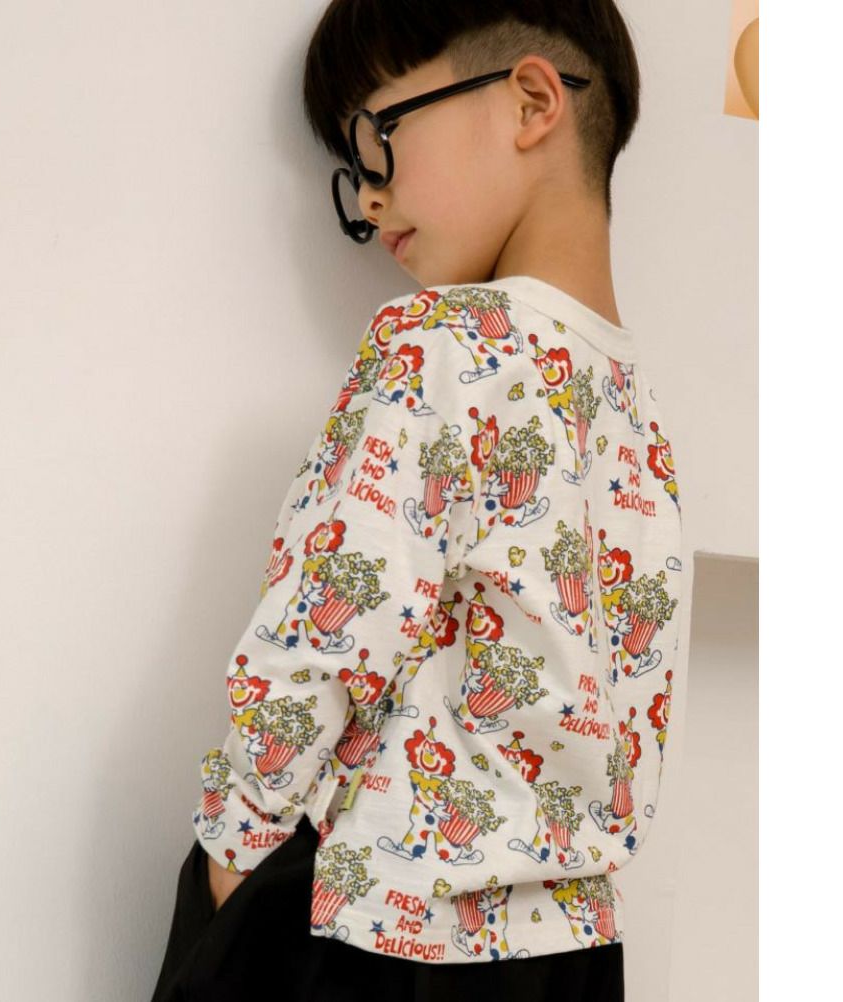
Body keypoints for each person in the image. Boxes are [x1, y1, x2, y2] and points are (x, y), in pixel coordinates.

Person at [150, 2, 683, 999]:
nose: (368, 197)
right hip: (570, 946)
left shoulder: (438, 341)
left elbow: (330, 621)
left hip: (372, 929)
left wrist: (233, 852)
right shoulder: (634, 408)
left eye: (377, 138)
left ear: (531, 102)